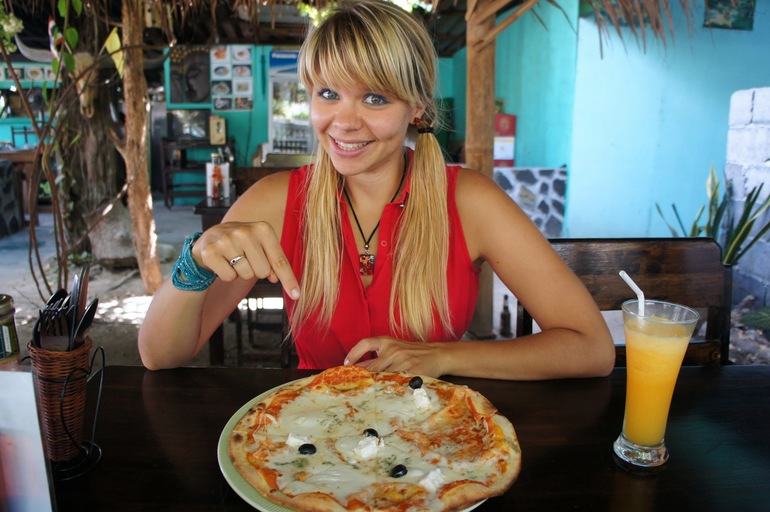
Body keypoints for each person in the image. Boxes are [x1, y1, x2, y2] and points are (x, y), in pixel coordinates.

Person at [139, 0, 614, 380]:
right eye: (328, 94)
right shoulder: (276, 200)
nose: (344, 122)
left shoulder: (470, 201)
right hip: (309, 438)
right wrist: (194, 263)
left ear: (416, 108)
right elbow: (161, 356)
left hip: (436, 437)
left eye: (374, 97)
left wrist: (442, 356)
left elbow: (591, 347)